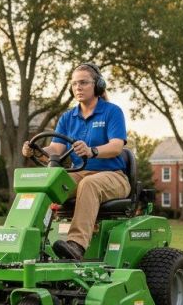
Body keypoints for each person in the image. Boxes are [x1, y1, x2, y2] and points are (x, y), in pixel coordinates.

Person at [22, 62, 130, 261]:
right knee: (49, 183)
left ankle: (76, 245)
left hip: (113, 176)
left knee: (89, 184)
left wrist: (92, 151)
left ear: (97, 86)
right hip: (79, 173)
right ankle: (27, 240)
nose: (78, 87)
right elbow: (55, 149)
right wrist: (36, 150)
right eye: (74, 84)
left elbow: (116, 146)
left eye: (83, 83)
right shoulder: (68, 117)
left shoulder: (112, 112)